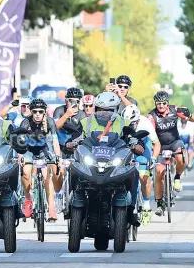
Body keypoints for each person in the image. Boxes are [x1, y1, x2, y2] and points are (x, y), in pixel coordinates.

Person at [81, 92, 144, 226]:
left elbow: (133, 138)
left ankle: (131, 209)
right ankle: (72, 202)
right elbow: (76, 137)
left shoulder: (125, 122)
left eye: (109, 110)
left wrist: (138, 145)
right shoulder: (85, 122)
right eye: (100, 110)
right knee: (73, 168)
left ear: (116, 110)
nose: (104, 113)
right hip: (91, 163)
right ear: (96, 109)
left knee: (134, 172)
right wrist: (71, 143)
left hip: (115, 164)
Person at [148, 91, 194, 216]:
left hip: (174, 142)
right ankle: (159, 203)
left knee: (181, 158)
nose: (161, 106)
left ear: (167, 103)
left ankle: (177, 178)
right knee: (159, 172)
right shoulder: (152, 116)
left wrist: (190, 115)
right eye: (158, 103)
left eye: (163, 103)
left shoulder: (175, 110)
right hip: (159, 145)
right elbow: (148, 132)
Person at [20, 99, 62, 221]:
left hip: (44, 149)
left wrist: (57, 157)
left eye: (40, 111)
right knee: (26, 172)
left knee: (46, 176)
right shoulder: (25, 123)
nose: (37, 114)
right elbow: (20, 144)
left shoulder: (50, 121)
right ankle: (28, 199)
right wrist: (21, 158)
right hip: (29, 150)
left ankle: (51, 208)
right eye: (35, 112)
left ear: (44, 112)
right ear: (31, 112)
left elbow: (55, 141)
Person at [121, 104, 161, 225]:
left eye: (132, 123)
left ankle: (146, 204)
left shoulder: (145, 123)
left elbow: (157, 144)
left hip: (144, 147)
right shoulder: (121, 122)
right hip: (128, 147)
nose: (130, 125)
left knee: (143, 177)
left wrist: (153, 158)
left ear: (137, 120)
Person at [53, 87, 86, 156]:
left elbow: (85, 134)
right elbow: (54, 128)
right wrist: (66, 115)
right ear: (66, 101)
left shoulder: (82, 115)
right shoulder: (59, 110)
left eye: (77, 101)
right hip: (59, 145)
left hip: (74, 146)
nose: (74, 104)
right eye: (71, 101)